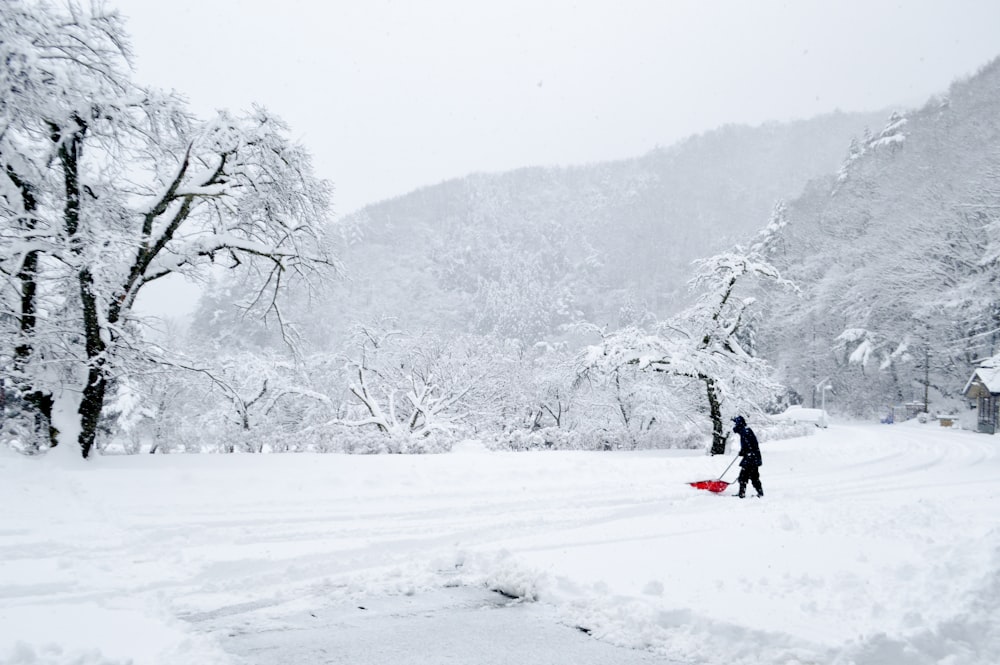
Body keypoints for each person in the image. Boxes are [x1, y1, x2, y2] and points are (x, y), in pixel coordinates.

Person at [732, 415, 763, 498]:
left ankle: (742, 493)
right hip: (753, 457)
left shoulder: (745, 432)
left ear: (739, 424)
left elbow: (751, 445)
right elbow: (750, 445)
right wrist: (743, 451)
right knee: (754, 476)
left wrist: (744, 451)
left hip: (751, 458)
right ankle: (760, 493)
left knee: (743, 476)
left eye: (735, 424)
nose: (734, 426)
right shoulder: (745, 431)